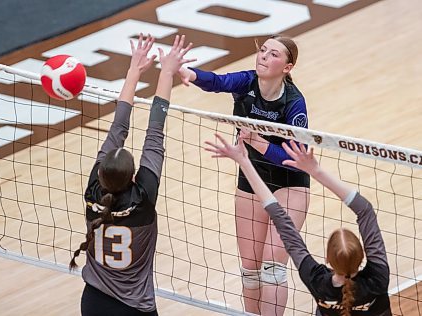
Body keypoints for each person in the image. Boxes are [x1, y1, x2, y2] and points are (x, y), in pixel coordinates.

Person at [177, 35, 310, 314]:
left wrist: (258, 142)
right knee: (251, 269)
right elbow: (217, 82)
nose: (264, 56)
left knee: (273, 265)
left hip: (289, 184)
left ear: (288, 67)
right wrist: (188, 72)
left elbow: (297, 159)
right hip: (251, 177)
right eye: (263, 50)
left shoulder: (294, 103)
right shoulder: (247, 82)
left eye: (274, 54)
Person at [69, 34, 194, 316]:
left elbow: (118, 128)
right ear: (133, 176)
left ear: (101, 173)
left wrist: (133, 71)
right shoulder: (143, 196)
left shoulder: (92, 192)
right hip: (135, 308)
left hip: (93, 302)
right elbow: (155, 129)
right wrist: (166, 72)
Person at [205, 135, 392, 316]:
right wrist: (316, 171)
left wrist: (245, 162)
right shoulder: (378, 279)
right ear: (361, 257)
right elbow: (366, 211)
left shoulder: (318, 282)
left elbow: (281, 220)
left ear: (327, 259)